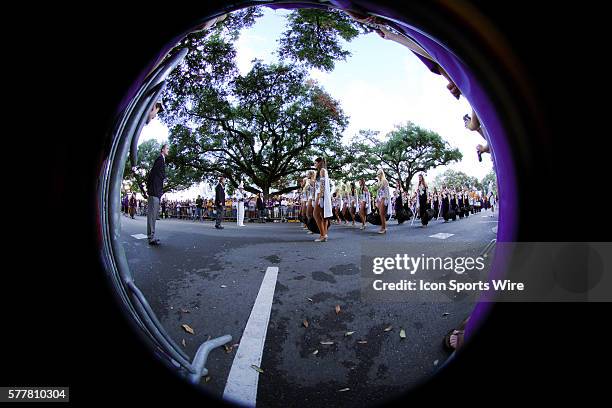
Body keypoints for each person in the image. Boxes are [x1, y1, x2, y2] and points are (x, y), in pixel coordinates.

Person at [146, 143, 168, 245]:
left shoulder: (162, 159)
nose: (168, 150)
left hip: (157, 191)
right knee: (152, 215)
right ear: (162, 149)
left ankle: (152, 236)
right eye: (167, 148)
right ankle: (151, 237)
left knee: (154, 215)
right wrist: (151, 188)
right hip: (154, 191)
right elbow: (153, 174)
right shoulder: (160, 159)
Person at [312, 157, 332, 242]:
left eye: (315, 163)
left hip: (320, 194)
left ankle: (322, 235)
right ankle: (324, 234)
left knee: (316, 214)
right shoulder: (322, 171)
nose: (314, 165)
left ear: (320, 162)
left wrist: (321, 196)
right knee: (323, 216)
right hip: (320, 194)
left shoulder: (322, 170)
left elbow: (323, 184)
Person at [376, 169, 390, 234]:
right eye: (377, 174)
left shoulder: (385, 181)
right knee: (381, 214)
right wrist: (377, 199)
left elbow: (387, 192)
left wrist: (386, 200)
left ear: (381, 174)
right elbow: (378, 192)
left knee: (382, 214)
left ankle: (383, 228)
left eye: (379, 174)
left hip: (384, 198)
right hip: (381, 198)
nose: (378, 175)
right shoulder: (380, 182)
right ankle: (383, 227)